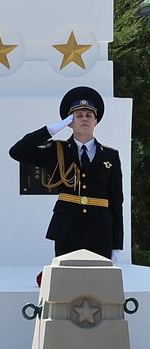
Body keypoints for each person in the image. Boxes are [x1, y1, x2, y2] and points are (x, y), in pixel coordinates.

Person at [9, 86, 123, 265]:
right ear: (69, 122)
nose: (84, 118)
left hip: (100, 228)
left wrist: (117, 244)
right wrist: (51, 130)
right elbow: (17, 151)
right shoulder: (57, 150)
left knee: (99, 285)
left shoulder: (110, 156)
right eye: (78, 115)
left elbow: (116, 202)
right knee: (67, 284)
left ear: (96, 121)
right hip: (67, 227)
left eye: (89, 115)